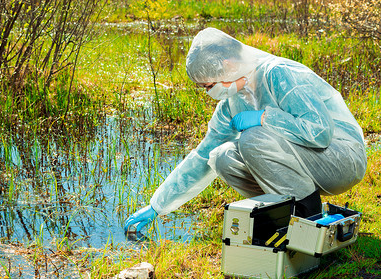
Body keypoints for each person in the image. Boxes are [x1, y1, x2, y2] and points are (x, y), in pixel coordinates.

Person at [124, 27, 367, 233]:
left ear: (227, 65)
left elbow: (320, 131)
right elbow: (202, 156)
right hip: (309, 165)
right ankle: (282, 214)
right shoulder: (232, 103)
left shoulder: (279, 74)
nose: (208, 92)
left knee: (253, 138)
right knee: (221, 157)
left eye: (208, 85)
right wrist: (157, 205)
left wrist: (265, 117)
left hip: (342, 158)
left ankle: (308, 217)